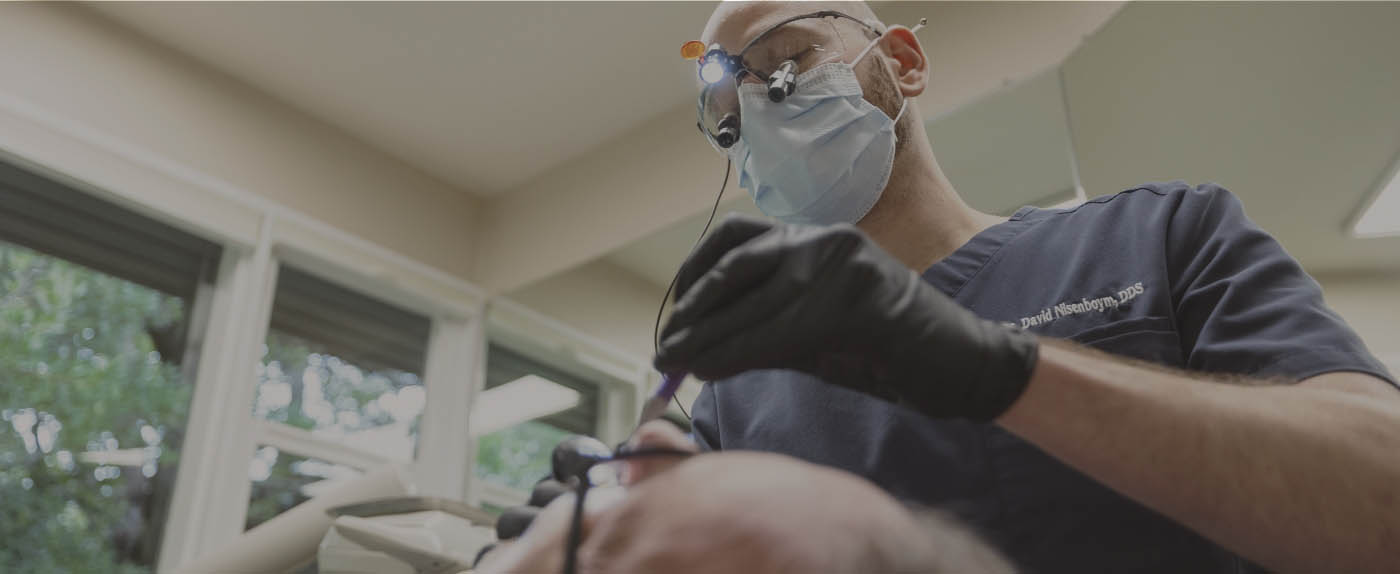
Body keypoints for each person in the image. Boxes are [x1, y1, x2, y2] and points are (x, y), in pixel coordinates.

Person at [480, 1, 1400, 572]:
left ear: (904, 63)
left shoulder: (1160, 235)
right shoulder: (740, 394)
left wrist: (999, 371)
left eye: (785, 62)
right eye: (727, 117)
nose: (757, 111)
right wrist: (590, 536)